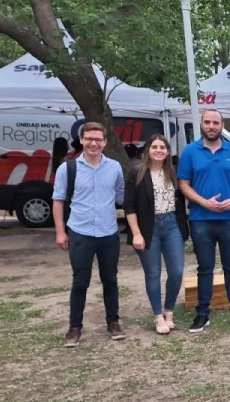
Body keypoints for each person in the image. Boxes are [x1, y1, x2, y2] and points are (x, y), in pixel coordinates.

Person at [52, 122, 126, 347]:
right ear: (82, 140)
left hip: (108, 233)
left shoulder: (115, 167)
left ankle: (113, 322)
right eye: (89, 139)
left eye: (98, 139)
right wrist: (60, 232)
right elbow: (58, 200)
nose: (94, 143)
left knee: (110, 280)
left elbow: (122, 196)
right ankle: (75, 328)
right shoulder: (68, 168)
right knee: (80, 282)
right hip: (80, 232)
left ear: (105, 142)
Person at [178, 110, 230, 333]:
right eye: (207, 122)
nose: (211, 126)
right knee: (205, 267)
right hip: (201, 219)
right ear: (201, 124)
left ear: (222, 125)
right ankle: (202, 314)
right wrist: (203, 202)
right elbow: (183, 184)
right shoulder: (190, 152)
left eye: (215, 123)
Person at [124, 135, 189, 334]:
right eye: (154, 147)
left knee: (176, 271)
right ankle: (158, 316)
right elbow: (129, 206)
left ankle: (169, 311)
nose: (158, 150)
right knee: (153, 273)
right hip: (147, 227)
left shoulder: (173, 173)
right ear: (148, 150)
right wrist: (136, 233)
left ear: (168, 151)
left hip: (171, 225)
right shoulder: (136, 173)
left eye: (162, 147)